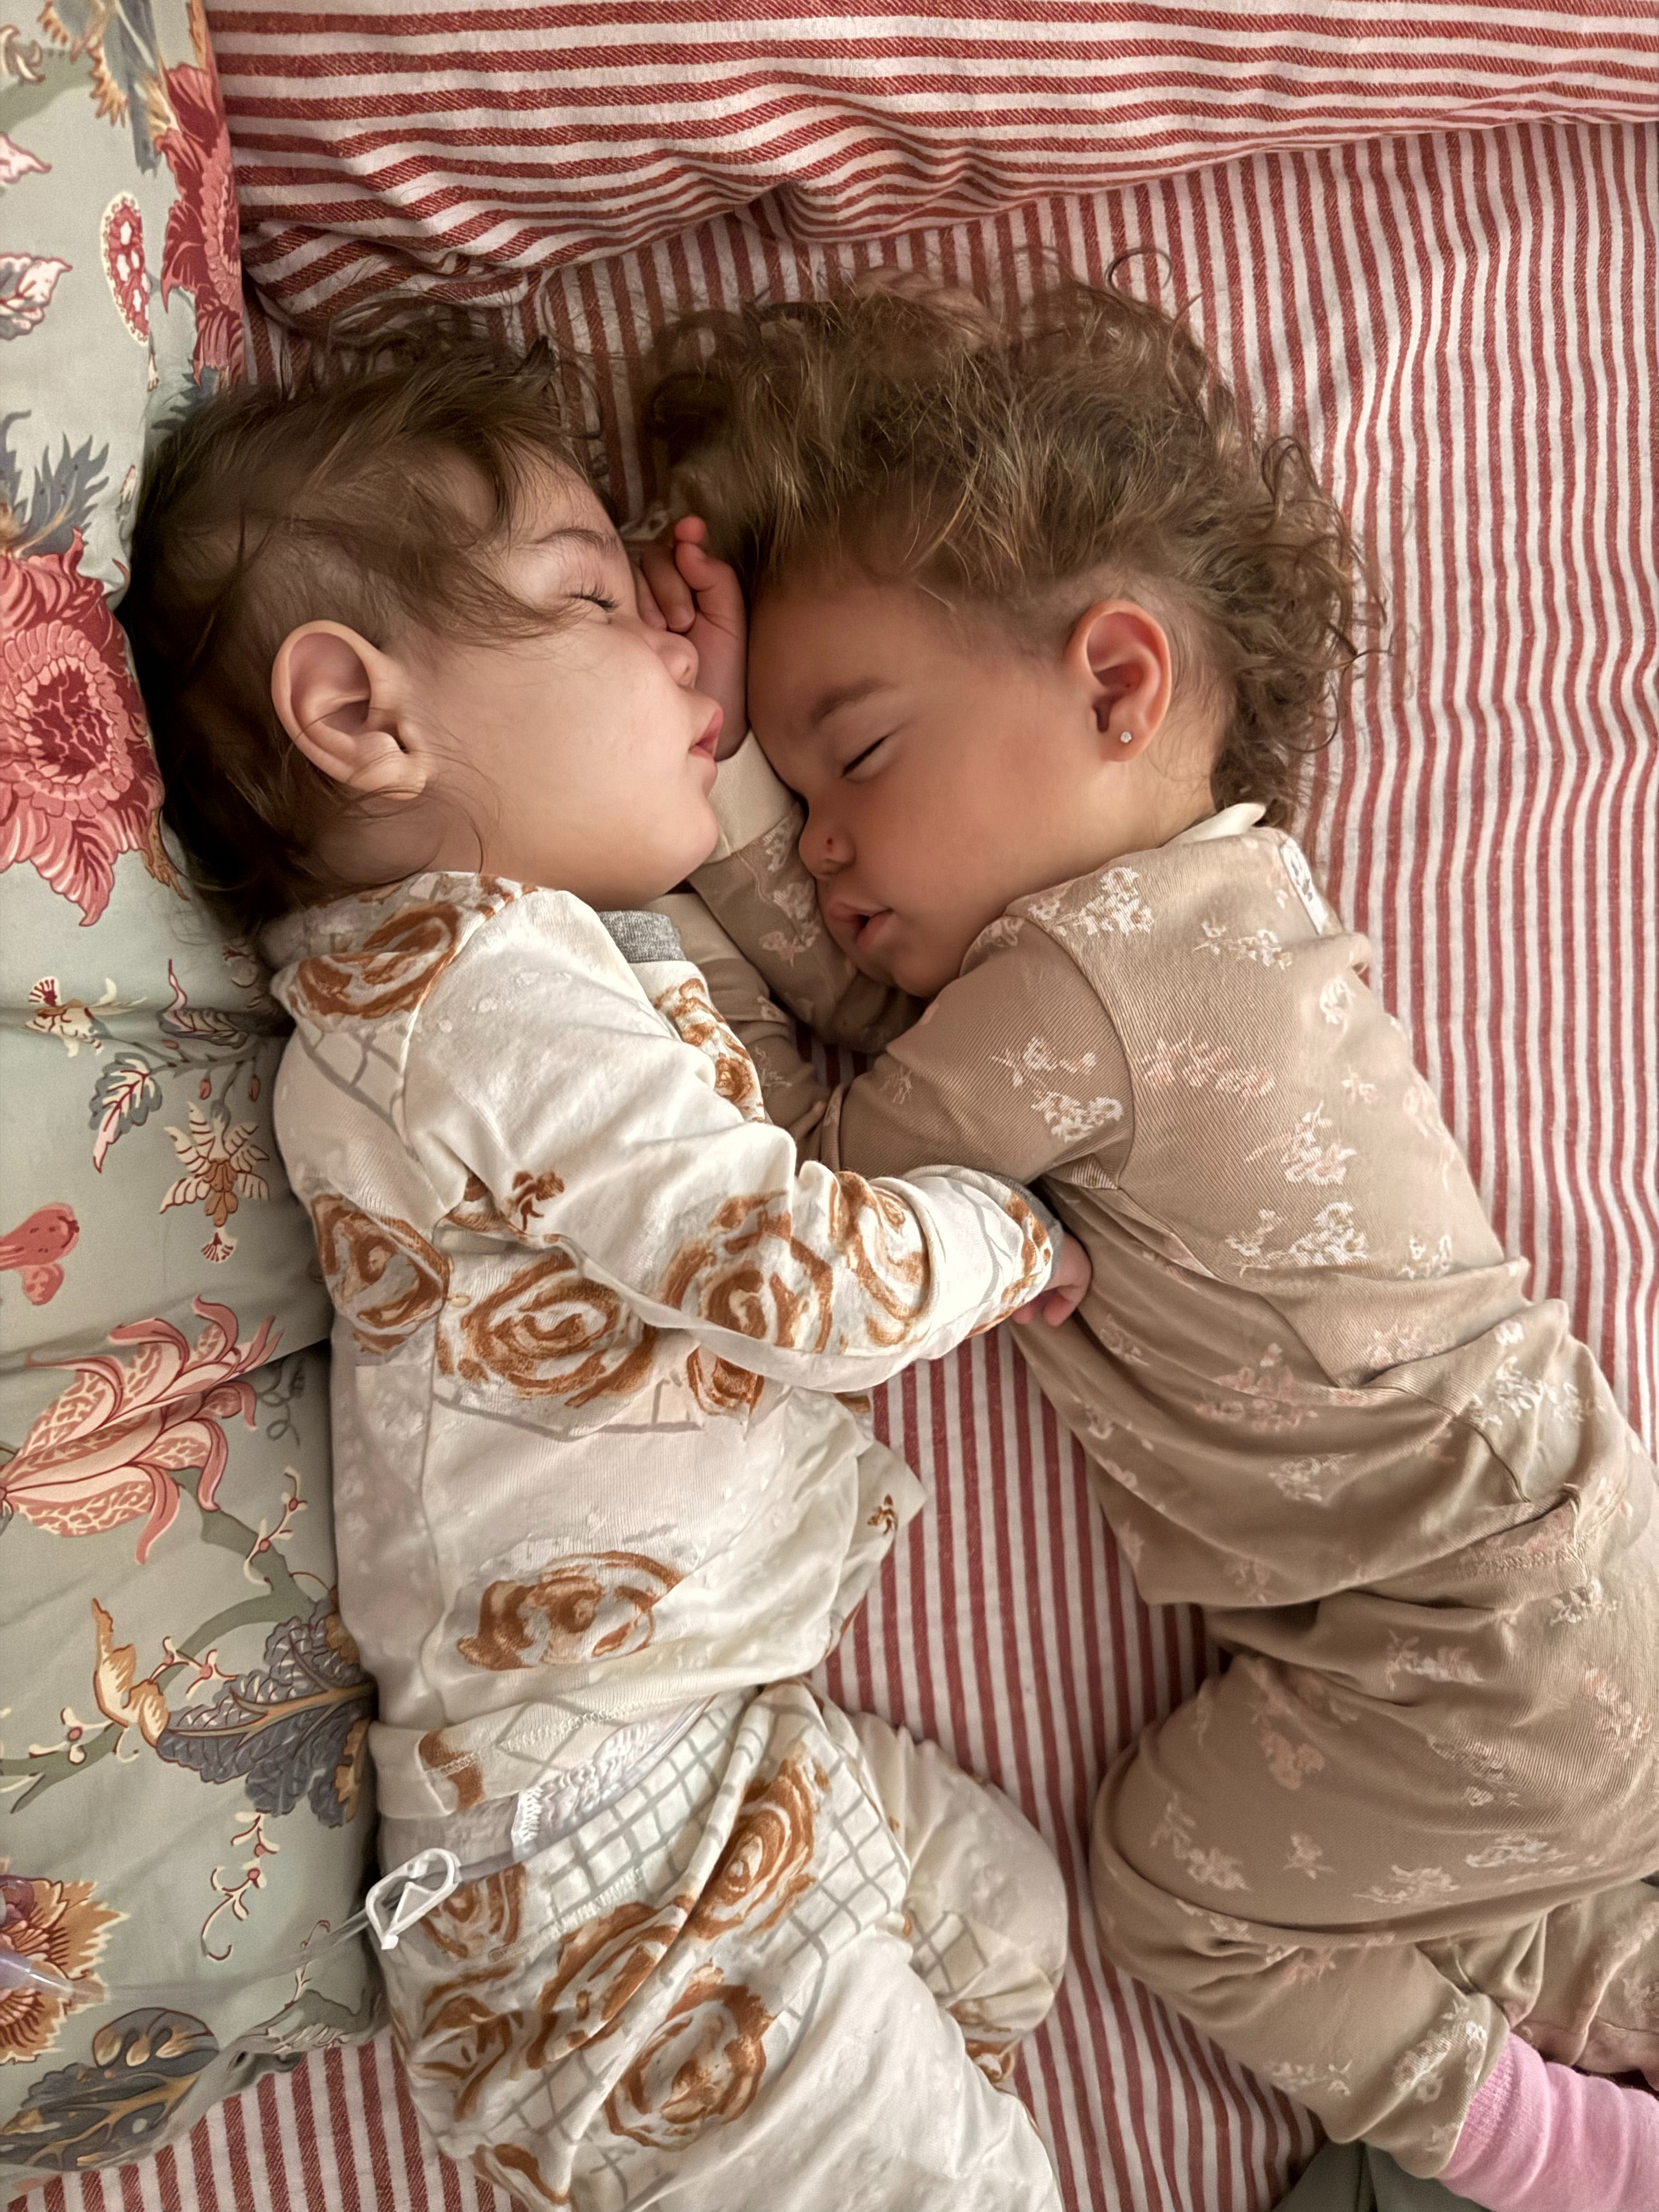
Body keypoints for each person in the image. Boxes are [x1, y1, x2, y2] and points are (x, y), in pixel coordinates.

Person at [636, 276, 1659, 2212]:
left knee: (1182, 1896)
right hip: (1526, 1610)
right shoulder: (1186, 928)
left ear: (1117, 685)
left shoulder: (1094, 987)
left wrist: (672, 817)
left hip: (1477, 1633)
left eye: (856, 759)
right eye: (798, 792)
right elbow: (895, 1066)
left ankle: (1575, 2164)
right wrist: (743, 777)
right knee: (1517, 1920)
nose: (823, 848)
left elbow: (823, 1203)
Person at [121, 345, 1079, 2212]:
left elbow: (720, 929)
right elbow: (797, 1274)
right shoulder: (469, 997)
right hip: (609, 1870)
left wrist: (685, 712)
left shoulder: (499, 970)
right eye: (588, 596)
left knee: (1009, 1927)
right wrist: (1007, 1230)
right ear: (362, 716)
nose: (665, 643)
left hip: (681, 1793)